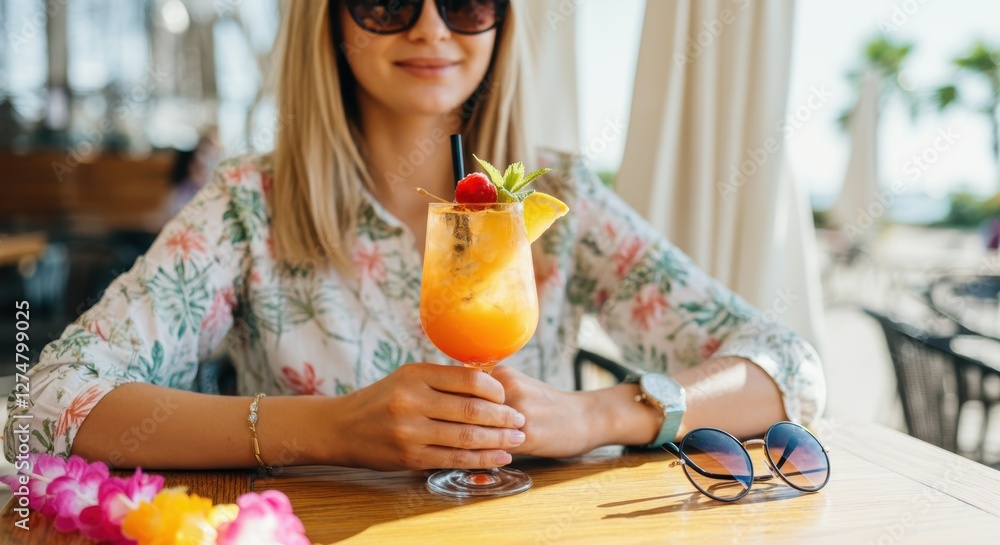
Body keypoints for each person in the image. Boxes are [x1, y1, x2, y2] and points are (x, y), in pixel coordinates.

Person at [4, 0, 825, 472]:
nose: (432, 28)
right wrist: (319, 427)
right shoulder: (251, 203)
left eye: (466, 0)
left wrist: (596, 414)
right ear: (329, 21)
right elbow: (40, 408)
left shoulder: (555, 195)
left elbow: (787, 366)